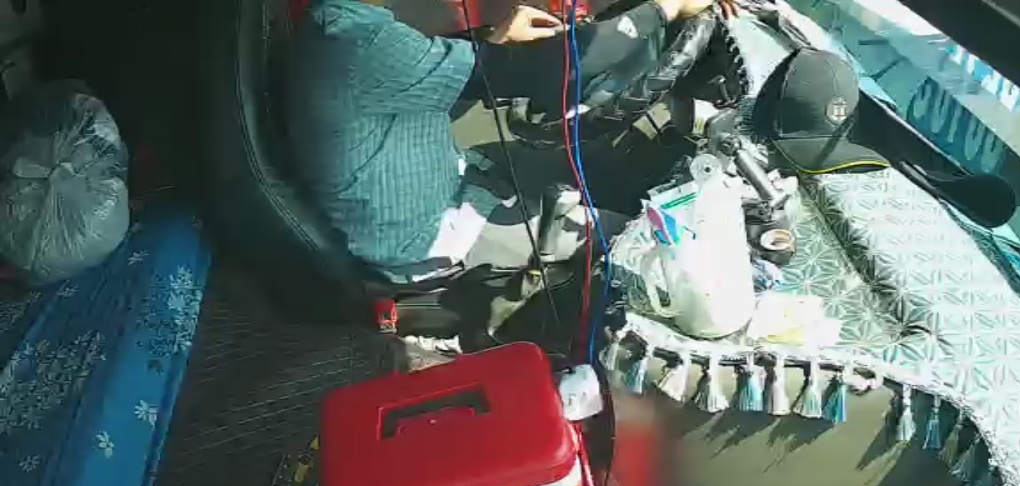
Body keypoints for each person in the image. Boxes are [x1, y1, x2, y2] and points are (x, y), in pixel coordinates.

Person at [287, 0, 735, 283]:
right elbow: (552, 71)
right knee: (646, 250)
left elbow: (439, 76)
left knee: (610, 166)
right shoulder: (360, 43)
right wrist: (665, 9)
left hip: (449, 181)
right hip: (424, 243)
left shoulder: (343, 23)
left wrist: (492, 40)